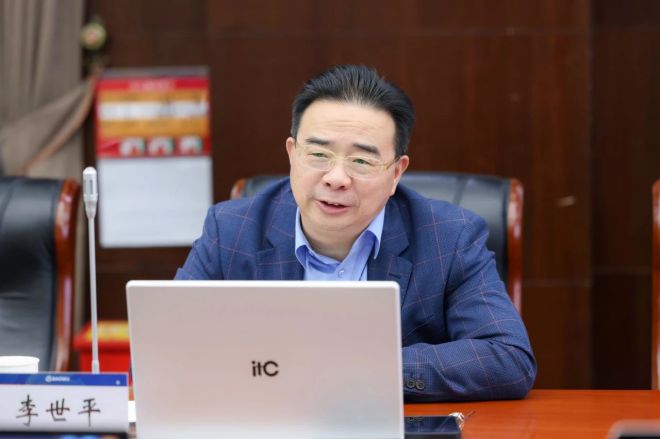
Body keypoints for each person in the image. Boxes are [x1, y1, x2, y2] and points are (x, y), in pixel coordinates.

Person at [176, 64, 537, 402]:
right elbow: (168, 347)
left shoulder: (449, 237)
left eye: (361, 161)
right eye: (319, 155)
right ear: (292, 154)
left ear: (396, 173)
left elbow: (507, 358)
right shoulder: (230, 230)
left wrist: (358, 369)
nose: (336, 178)